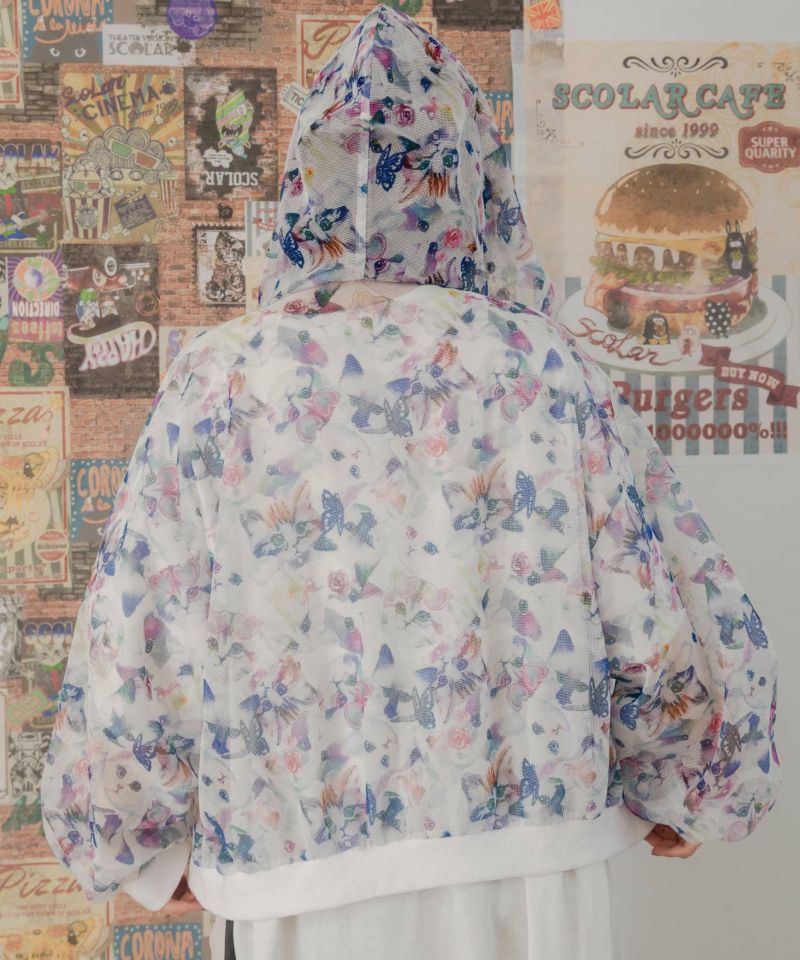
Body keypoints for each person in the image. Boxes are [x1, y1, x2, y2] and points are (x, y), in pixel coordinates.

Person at [40, 5, 781, 959]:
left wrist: (133, 841)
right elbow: (658, 606)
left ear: (305, 179)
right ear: (472, 174)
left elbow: (137, 639)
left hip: (295, 879)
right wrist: (690, 782)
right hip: (532, 870)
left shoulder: (221, 379)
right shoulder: (543, 366)